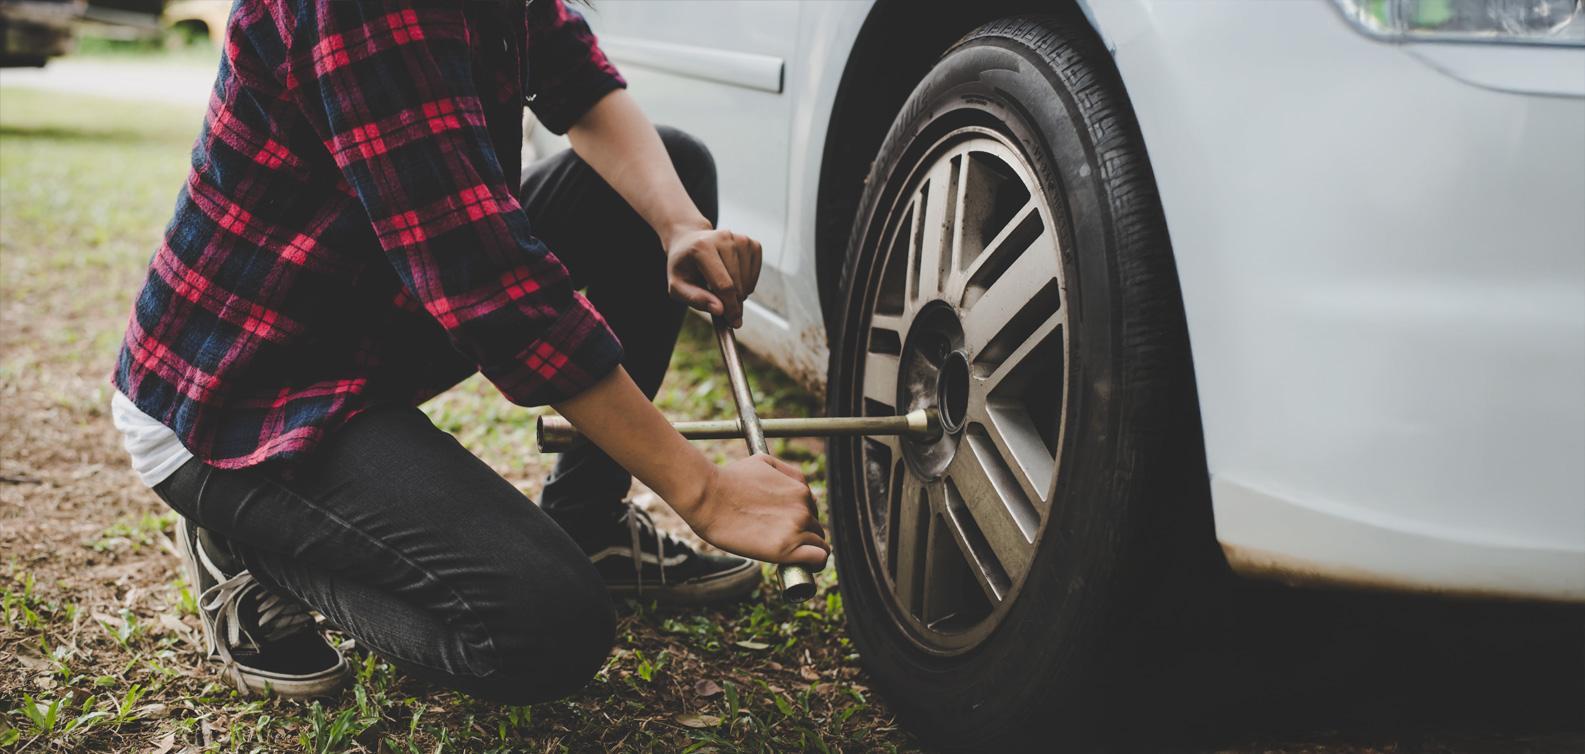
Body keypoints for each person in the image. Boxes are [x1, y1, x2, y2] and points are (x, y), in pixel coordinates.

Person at [109, 0, 828, 703]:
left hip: (368, 315)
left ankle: (589, 527)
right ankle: (244, 540)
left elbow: (574, 76)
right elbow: (492, 290)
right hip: (239, 394)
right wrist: (703, 490)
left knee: (667, 171)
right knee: (546, 629)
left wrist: (677, 225)